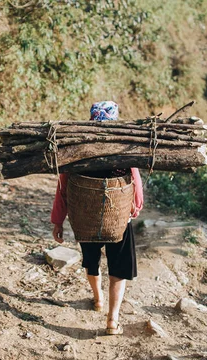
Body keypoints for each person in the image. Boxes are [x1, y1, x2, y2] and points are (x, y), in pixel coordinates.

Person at [50, 101, 144, 335]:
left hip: (86, 218)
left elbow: (63, 187)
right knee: (119, 267)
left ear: (91, 119)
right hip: (118, 219)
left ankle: (98, 299)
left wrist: (58, 220)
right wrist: (135, 208)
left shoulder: (78, 149)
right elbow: (135, 183)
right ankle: (112, 320)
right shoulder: (123, 149)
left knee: (91, 260)